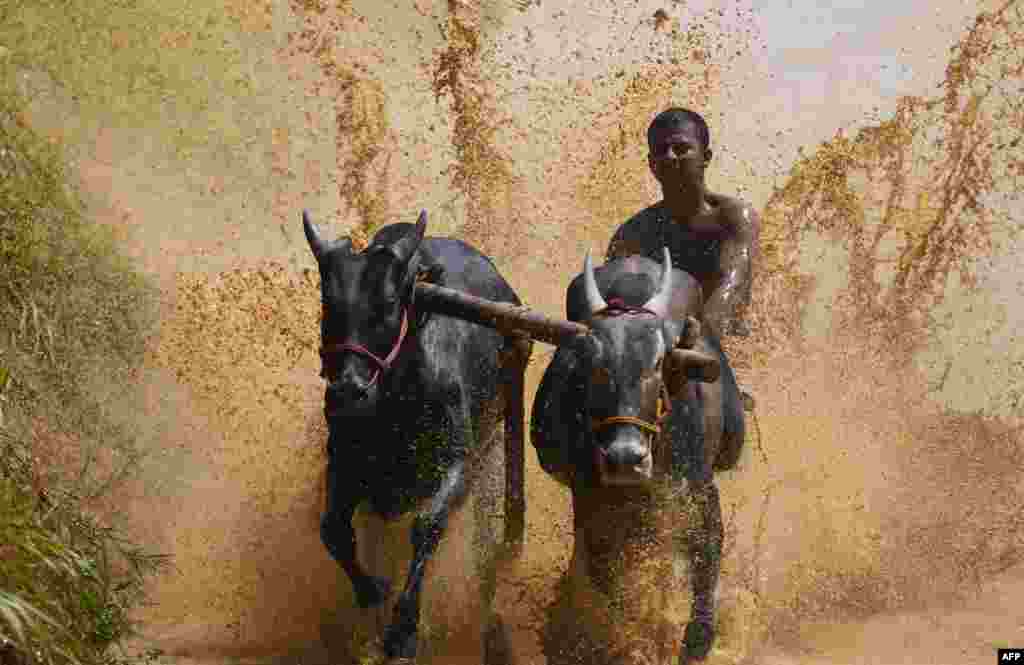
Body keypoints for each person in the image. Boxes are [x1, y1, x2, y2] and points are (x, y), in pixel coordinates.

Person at [606, 107, 760, 471]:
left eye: (681, 148)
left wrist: (690, 334)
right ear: (651, 165)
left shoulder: (733, 217)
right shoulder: (633, 233)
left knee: (725, 437)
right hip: (653, 350)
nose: (670, 157)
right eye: (660, 151)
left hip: (717, 345)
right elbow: (616, 307)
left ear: (705, 157)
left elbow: (733, 286)